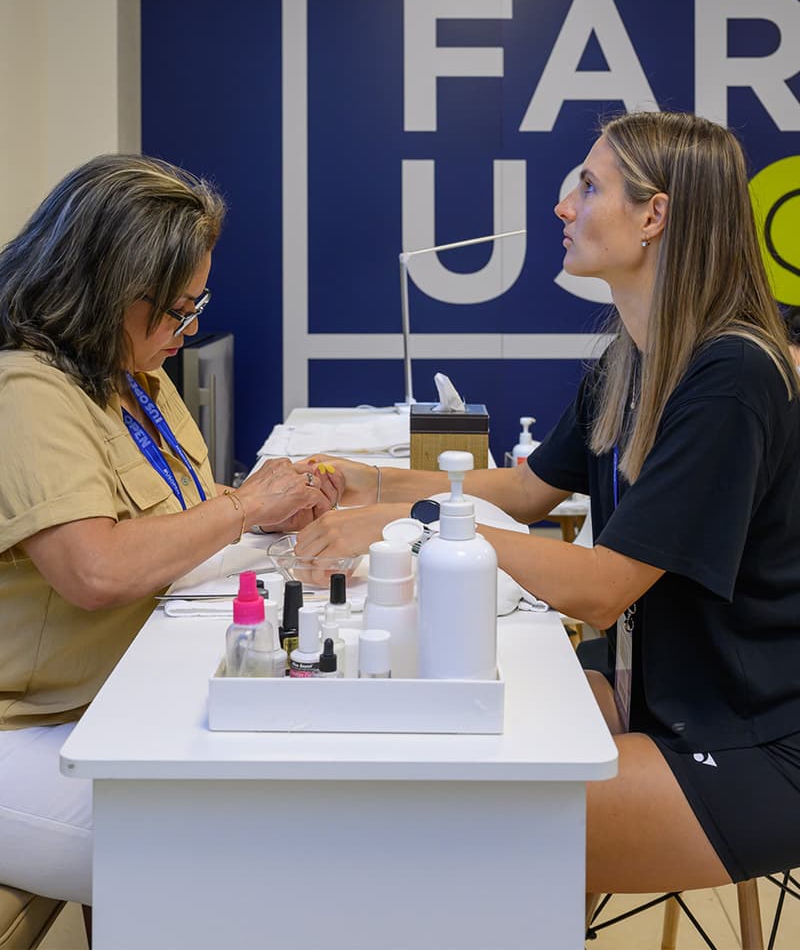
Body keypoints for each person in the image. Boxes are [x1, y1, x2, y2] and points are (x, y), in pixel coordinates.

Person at [295, 111, 800, 897]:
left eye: (589, 187)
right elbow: (528, 490)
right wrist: (377, 482)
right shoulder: (631, 361)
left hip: (749, 735)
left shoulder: (732, 377)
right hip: (660, 690)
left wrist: (414, 524)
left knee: (474, 837)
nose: (564, 208)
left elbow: (602, 591)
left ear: (654, 215)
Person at [0, 155, 337, 907]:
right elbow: (97, 570)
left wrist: (275, 512)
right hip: (20, 729)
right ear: (107, 289)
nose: (191, 328)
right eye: (178, 310)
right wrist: (248, 509)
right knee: (241, 858)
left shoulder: (133, 376)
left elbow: (183, 512)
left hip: (112, 700)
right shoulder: (28, 390)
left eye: (198, 303)